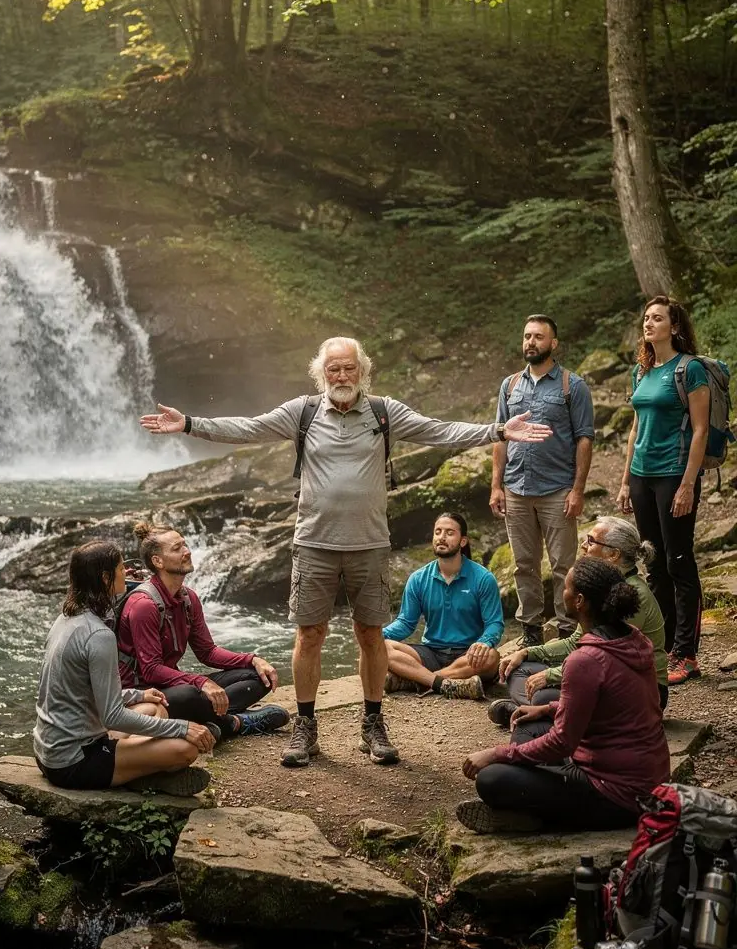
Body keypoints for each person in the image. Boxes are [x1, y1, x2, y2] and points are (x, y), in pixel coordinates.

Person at [140, 335, 551, 770]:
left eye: (348, 368)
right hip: (314, 543)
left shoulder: (383, 412)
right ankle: (305, 725)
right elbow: (247, 428)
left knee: (371, 635)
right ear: (321, 373)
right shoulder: (302, 412)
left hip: (369, 545)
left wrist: (499, 430)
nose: (341, 375)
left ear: (362, 371)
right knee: (309, 636)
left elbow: (438, 430)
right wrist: (188, 423)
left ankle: (372, 723)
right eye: (333, 368)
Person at [458, 559, 670, 834]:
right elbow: (614, 706)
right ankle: (534, 804)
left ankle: (530, 818)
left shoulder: (586, 660)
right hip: (645, 781)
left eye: (566, 588)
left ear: (580, 600)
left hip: (618, 797)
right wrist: (548, 708)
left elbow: (562, 743)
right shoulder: (634, 639)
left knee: (491, 778)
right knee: (527, 721)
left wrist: (498, 753)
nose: (562, 593)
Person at [34, 540, 215, 795]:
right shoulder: (98, 635)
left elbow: (83, 692)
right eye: (122, 568)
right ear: (106, 577)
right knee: (185, 749)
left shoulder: (66, 619)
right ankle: (136, 776)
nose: (128, 573)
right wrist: (182, 727)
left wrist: (138, 694)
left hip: (49, 750)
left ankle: (131, 768)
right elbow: (113, 717)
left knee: (153, 707)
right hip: (73, 761)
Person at [116, 523, 290, 741]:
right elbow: (150, 670)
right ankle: (234, 723)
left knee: (258, 676)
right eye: (177, 548)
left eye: (185, 545)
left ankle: (209, 720)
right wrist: (200, 682)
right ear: (157, 561)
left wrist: (252, 659)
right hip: (142, 695)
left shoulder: (188, 598)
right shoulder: (144, 605)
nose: (187, 551)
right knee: (190, 693)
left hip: (170, 686)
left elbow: (207, 652)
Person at [492, 515, 669, 722]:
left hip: (637, 690)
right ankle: (543, 712)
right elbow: (573, 643)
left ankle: (541, 712)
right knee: (520, 670)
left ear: (613, 554)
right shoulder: (599, 587)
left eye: (591, 541)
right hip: (595, 674)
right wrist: (527, 652)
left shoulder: (632, 596)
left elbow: (606, 660)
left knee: (545, 690)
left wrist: (549, 676)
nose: (584, 546)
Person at [617, 296, 710, 686]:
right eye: (646, 318)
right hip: (642, 475)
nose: (648, 323)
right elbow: (636, 429)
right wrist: (624, 480)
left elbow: (701, 429)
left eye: (657, 318)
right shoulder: (643, 370)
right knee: (653, 563)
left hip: (674, 475)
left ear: (674, 327)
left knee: (679, 561)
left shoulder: (690, 370)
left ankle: (686, 654)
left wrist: (688, 483)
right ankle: (661, 644)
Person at [490, 315, 595, 646]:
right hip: (516, 488)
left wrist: (577, 490)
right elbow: (500, 437)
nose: (530, 342)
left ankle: (567, 631)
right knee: (523, 565)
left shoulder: (571, 386)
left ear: (553, 344)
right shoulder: (509, 386)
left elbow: (585, 439)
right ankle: (531, 632)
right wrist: (496, 485)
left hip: (556, 489)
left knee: (565, 566)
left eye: (538, 337)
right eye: (526, 336)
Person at [382, 512, 504, 701]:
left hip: (467, 655)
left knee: (492, 657)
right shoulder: (418, 578)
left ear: (463, 541)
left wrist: (484, 642)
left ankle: (418, 680)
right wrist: (377, 635)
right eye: (438, 532)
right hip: (431, 652)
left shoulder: (483, 578)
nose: (441, 537)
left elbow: (494, 623)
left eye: (449, 533)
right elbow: (406, 623)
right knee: (383, 648)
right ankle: (444, 683)